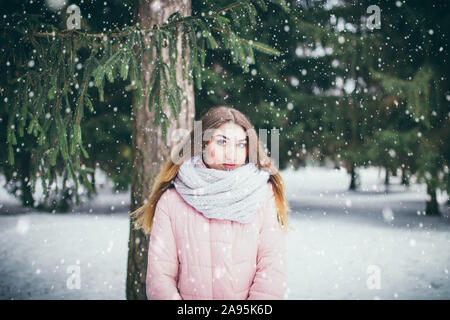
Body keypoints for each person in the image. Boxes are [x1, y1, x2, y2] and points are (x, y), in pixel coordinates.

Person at [130, 106, 291, 300]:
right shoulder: (171, 201)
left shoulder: (262, 195)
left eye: (241, 144)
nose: (232, 154)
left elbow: (271, 269)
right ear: (202, 144)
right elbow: (160, 278)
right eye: (222, 142)